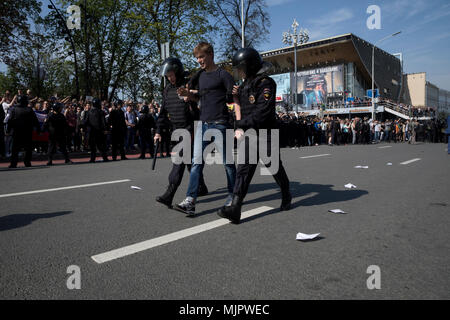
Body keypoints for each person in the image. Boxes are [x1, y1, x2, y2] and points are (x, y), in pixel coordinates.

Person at [217, 47, 292, 224]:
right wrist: (233, 95)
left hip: (266, 134)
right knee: (243, 170)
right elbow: (237, 106)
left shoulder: (266, 84)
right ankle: (235, 208)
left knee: (274, 168)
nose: (239, 72)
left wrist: (239, 125)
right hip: (249, 135)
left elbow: (262, 113)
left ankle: (286, 193)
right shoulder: (244, 85)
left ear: (249, 66)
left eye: (240, 68)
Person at [174, 42, 236, 215]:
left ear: (211, 54)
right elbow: (199, 101)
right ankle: (190, 201)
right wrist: (188, 95)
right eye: (197, 58)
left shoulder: (224, 75)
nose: (199, 60)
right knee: (196, 163)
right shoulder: (199, 76)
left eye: (201, 57)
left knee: (228, 163)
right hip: (203, 124)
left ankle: (233, 196)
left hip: (221, 123)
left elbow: (233, 99)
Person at [155, 57, 209, 208]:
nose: (169, 78)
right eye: (167, 75)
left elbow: (202, 98)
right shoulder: (167, 90)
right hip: (177, 129)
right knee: (189, 162)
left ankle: (169, 194)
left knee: (179, 160)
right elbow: (162, 113)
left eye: (171, 74)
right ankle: (201, 187)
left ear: (178, 72)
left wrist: (191, 97)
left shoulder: (188, 84)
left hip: (191, 128)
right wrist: (158, 131)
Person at [6, 94, 40, 168]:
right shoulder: (29, 109)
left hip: (17, 132)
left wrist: (8, 130)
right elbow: (35, 121)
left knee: (15, 149)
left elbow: (10, 121)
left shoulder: (14, 109)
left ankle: (13, 163)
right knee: (28, 148)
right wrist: (38, 130)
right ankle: (27, 162)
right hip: (27, 132)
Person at [82, 98, 109, 162]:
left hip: (92, 131)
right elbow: (103, 122)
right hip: (99, 131)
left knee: (92, 146)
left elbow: (85, 121)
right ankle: (105, 158)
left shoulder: (88, 112)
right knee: (101, 146)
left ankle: (92, 159)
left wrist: (83, 128)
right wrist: (105, 129)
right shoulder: (101, 112)